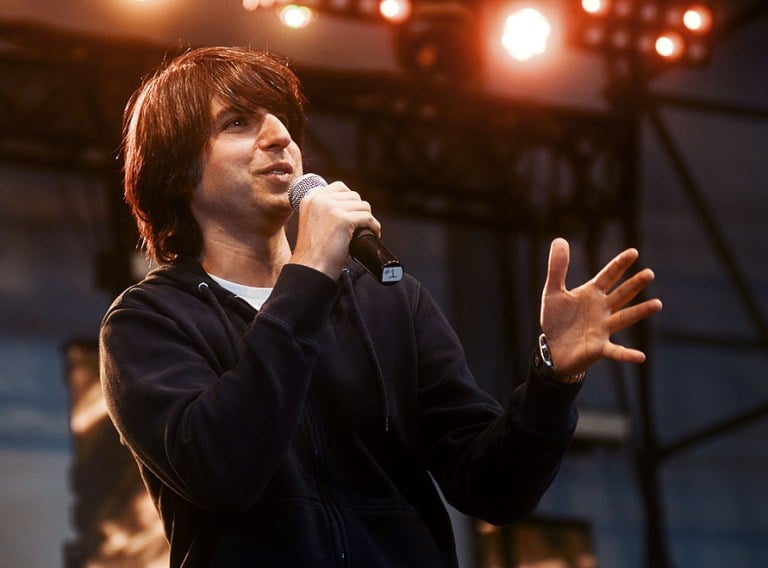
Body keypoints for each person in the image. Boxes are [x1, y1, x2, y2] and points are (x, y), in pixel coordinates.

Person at [99, 46, 662, 567]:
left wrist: (552, 379)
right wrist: (310, 274)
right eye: (238, 123)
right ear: (178, 171)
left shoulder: (387, 301)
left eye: (283, 122)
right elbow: (225, 469)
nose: (279, 137)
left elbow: (493, 488)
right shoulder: (147, 323)